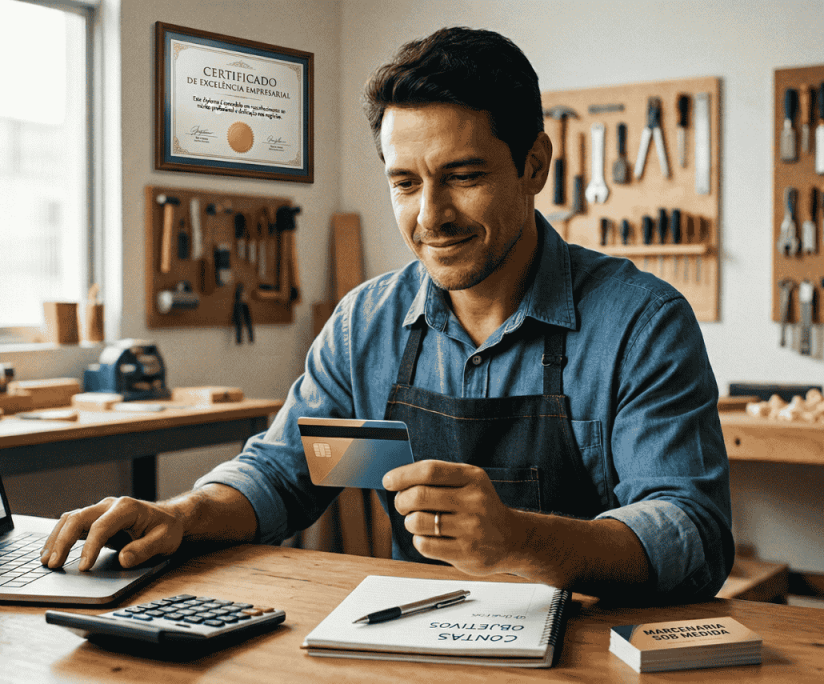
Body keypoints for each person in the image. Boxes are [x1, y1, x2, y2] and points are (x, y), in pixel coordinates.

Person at [42, 27, 732, 603]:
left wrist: (518, 539)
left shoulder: (642, 323)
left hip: (591, 651)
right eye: (406, 182)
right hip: (413, 638)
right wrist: (180, 514)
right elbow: (284, 474)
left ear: (534, 164)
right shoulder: (364, 323)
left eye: (464, 176)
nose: (431, 216)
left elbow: (692, 533)